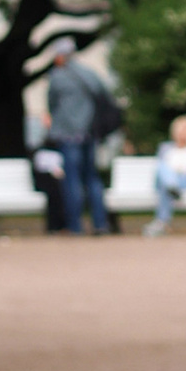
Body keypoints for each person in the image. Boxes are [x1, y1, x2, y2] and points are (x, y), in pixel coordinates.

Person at [43, 39, 115, 236]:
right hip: (90, 133)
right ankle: (100, 223)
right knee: (92, 178)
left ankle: (75, 225)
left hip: (68, 134)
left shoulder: (57, 77)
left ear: (59, 56)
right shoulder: (89, 73)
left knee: (72, 179)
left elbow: (51, 104)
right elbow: (104, 95)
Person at [149, 113, 186, 236]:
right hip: (167, 180)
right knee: (163, 169)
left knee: (166, 186)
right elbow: (160, 167)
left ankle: (161, 222)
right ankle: (172, 185)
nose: (184, 132)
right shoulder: (166, 147)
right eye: (182, 129)